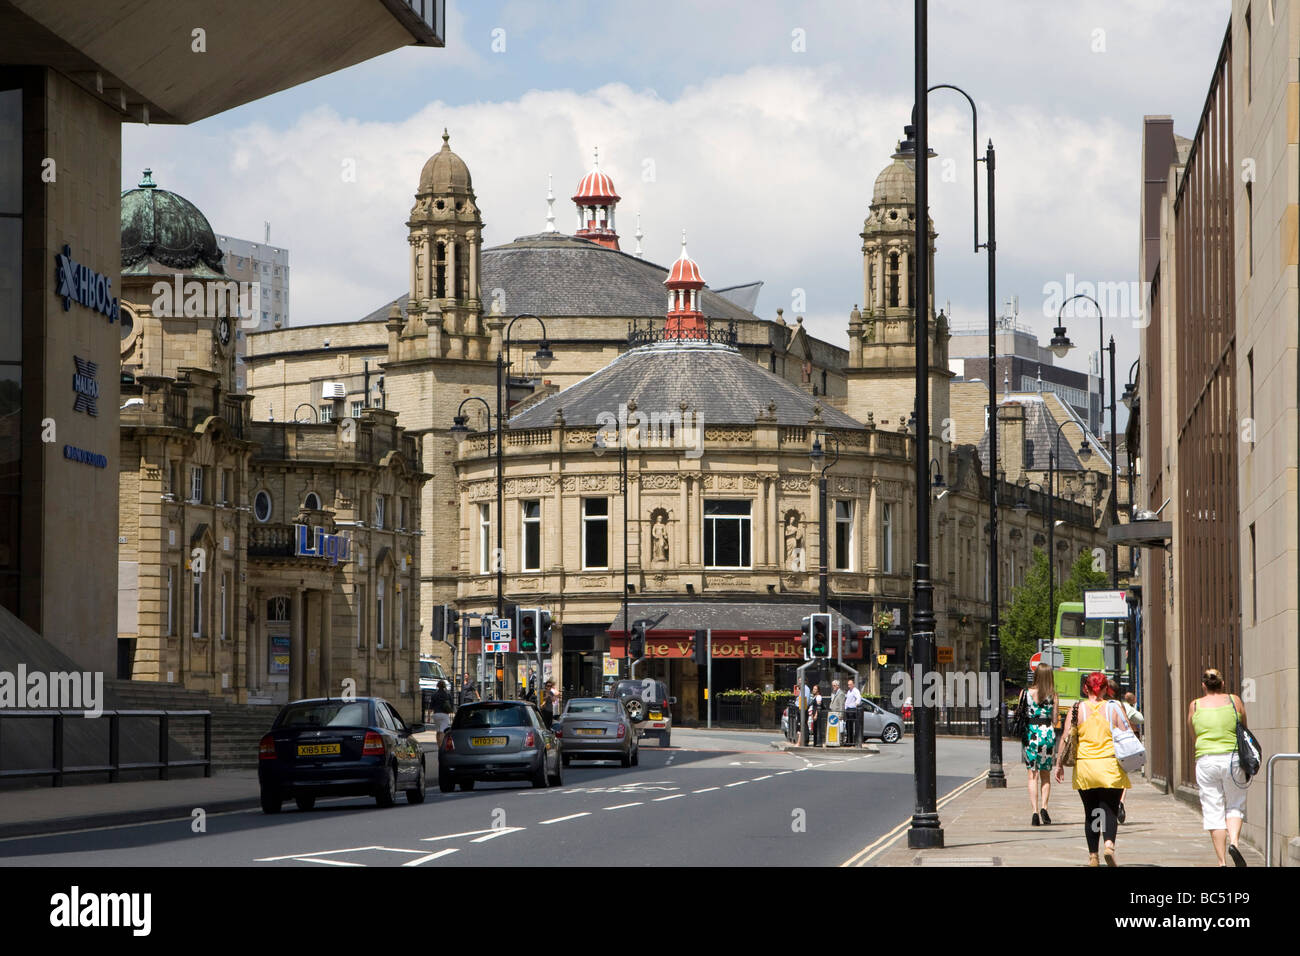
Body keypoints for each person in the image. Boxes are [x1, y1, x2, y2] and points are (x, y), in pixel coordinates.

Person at [1055, 671, 1132, 866]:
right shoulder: (1114, 707)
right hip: (1109, 767)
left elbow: (1065, 737)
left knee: (1090, 812)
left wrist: (1058, 764)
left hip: (1085, 767)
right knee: (1109, 810)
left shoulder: (1076, 708)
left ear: (1085, 688)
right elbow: (1128, 734)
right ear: (1106, 689)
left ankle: (1093, 856)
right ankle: (1108, 846)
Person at [1189, 668, 1248, 867]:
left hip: (1206, 760)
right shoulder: (1234, 701)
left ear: (1203, 686)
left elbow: (1193, 734)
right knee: (1234, 804)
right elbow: (1244, 729)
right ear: (1222, 684)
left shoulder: (1195, 705)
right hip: (1232, 760)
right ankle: (1235, 844)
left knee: (1213, 810)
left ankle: (1222, 862)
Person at [1021, 664, 1057, 826]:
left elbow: (1019, 714)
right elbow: (1055, 720)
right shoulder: (1053, 695)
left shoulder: (1025, 693)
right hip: (1047, 735)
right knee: (1045, 776)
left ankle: (1034, 812)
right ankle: (1044, 807)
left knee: (1032, 776)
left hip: (1031, 735)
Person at [844, 678, 862, 747]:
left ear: (853, 684)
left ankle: (851, 741)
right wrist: (845, 708)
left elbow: (859, 698)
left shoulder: (855, 691)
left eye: (850, 684)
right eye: (848, 685)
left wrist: (856, 704)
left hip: (852, 710)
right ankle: (849, 740)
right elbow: (847, 701)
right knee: (848, 726)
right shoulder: (849, 691)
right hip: (848, 710)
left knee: (850, 725)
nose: (849, 686)